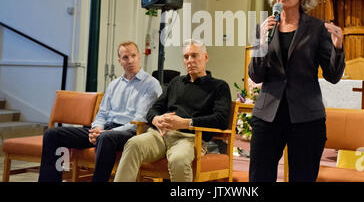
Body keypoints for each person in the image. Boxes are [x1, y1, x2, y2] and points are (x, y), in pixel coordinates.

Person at [248, 0, 345, 182]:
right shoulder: (265, 28)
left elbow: (333, 75)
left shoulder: (316, 29)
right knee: (258, 178)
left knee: (303, 177)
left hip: (305, 117)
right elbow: (256, 75)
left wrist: (338, 48)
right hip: (267, 115)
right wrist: (262, 44)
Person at [38, 41, 162, 182]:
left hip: (130, 133)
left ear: (139, 56)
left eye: (133, 56)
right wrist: (97, 129)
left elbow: (139, 122)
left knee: (105, 138)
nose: (130, 61)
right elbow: (102, 113)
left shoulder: (151, 84)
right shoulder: (114, 85)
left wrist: (105, 133)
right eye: (125, 57)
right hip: (105, 131)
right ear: (119, 61)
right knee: (52, 134)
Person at [114, 39, 231, 182]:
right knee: (133, 144)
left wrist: (186, 123)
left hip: (190, 139)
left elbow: (221, 120)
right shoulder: (176, 82)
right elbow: (154, 109)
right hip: (160, 135)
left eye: (194, 55)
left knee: (179, 160)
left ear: (205, 57)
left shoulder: (219, 86)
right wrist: (156, 119)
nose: (189, 60)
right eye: (186, 56)